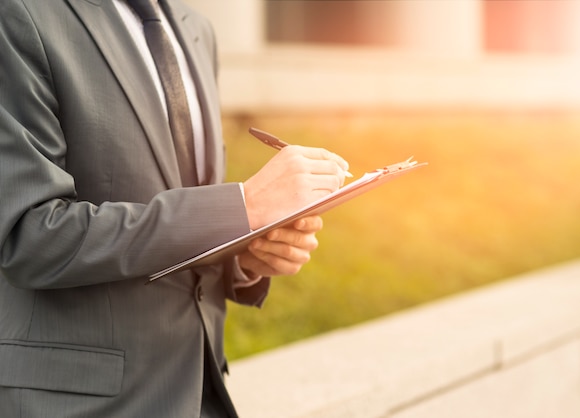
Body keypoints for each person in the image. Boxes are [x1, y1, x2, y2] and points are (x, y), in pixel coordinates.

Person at [0, 0, 349, 417]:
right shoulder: (20, 13)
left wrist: (246, 253)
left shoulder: (196, 28)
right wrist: (244, 204)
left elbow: (189, 207)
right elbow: (29, 236)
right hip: (87, 404)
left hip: (202, 391)